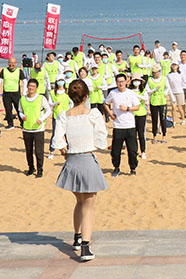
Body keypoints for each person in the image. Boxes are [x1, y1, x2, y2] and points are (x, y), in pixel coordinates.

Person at [52, 78, 109, 262]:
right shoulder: (93, 113)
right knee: (89, 206)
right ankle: (85, 246)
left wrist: (64, 150)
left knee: (79, 201)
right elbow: (101, 139)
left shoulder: (64, 115)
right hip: (86, 158)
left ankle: (77, 237)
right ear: (86, 96)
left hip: (72, 161)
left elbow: (56, 140)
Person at [104, 74, 141, 176]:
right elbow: (106, 103)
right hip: (118, 126)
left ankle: (133, 168)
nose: (120, 83)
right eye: (118, 82)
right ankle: (116, 168)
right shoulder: (113, 93)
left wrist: (127, 108)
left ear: (126, 82)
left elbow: (137, 107)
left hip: (130, 126)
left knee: (132, 150)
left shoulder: (131, 93)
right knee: (115, 151)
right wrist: (111, 114)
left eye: (122, 81)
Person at [20, 78, 50, 177]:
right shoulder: (23, 99)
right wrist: (22, 116)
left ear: (36, 88)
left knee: (38, 151)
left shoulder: (41, 98)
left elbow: (48, 110)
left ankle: (40, 169)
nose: (31, 88)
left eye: (33, 86)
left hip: (38, 129)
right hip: (26, 128)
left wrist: (42, 119)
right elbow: (20, 111)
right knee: (28, 150)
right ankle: (31, 167)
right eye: (30, 86)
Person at [146, 66, 172, 144]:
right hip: (154, 101)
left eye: (159, 71)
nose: (158, 73)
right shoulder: (150, 80)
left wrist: (165, 93)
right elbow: (148, 91)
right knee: (154, 120)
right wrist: (155, 89)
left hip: (162, 101)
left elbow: (168, 87)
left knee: (163, 119)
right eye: (157, 72)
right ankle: (154, 136)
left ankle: (163, 136)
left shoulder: (164, 78)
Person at [0, 57, 24, 129]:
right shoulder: (4, 70)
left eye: (13, 63)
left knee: (19, 109)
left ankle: (22, 124)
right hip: (6, 93)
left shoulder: (19, 71)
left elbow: (24, 81)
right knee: (8, 109)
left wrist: (25, 91)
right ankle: (10, 124)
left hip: (16, 93)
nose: (11, 64)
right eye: (10, 63)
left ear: (16, 63)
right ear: (8, 63)